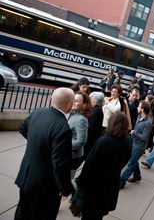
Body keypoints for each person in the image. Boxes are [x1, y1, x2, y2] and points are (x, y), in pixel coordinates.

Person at [15, 87, 75, 220]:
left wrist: (38, 144)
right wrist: (65, 188)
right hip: (44, 186)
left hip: (26, 176)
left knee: (22, 212)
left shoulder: (38, 111)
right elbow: (59, 164)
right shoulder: (63, 127)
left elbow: (23, 128)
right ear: (68, 104)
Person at [76, 111, 132, 220]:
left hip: (95, 187)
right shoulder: (127, 140)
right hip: (110, 185)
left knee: (89, 215)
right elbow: (126, 159)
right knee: (98, 215)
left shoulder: (104, 141)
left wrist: (81, 181)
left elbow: (89, 164)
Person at [119, 100, 153, 189]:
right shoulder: (139, 117)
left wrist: (134, 132)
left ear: (142, 109)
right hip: (133, 142)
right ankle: (137, 176)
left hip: (139, 146)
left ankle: (121, 182)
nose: (137, 107)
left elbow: (145, 137)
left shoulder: (148, 123)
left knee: (130, 164)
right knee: (133, 160)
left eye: (139, 106)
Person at [68, 91, 92, 178]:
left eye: (76, 101)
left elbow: (81, 141)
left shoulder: (81, 120)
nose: (73, 103)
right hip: (67, 154)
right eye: (73, 100)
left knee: (65, 181)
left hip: (72, 157)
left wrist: (64, 145)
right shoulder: (71, 114)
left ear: (84, 105)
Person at [83, 92, 104, 161]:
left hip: (89, 142)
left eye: (91, 100)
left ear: (95, 102)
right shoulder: (97, 110)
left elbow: (91, 128)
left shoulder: (96, 112)